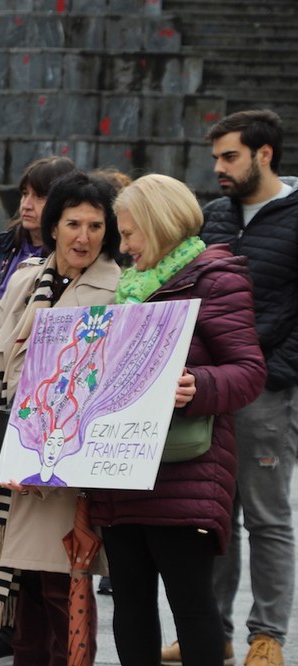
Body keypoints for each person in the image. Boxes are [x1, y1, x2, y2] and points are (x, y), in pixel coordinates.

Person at [87, 174, 267, 665]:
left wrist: (199, 387)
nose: (122, 248)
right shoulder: (128, 288)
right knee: (129, 603)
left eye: (128, 233)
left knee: (190, 605)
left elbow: (249, 370)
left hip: (184, 470)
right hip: (122, 470)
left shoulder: (215, 278)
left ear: (158, 224)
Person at [0, 171, 122, 666]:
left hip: (63, 469)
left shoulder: (118, 290)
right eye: (73, 223)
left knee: (61, 590)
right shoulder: (26, 280)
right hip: (3, 458)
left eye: (95, 225)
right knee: (17, 593)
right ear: (53, 226)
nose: (83, 236)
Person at [163, 109, 298, 666]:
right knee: (214, 516)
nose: (218, 167)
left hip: (266, 395)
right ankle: (210, 633)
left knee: (267, 518)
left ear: (264, 154)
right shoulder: (214, 216)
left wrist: (274, 372)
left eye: (230, 156)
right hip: (209, 391)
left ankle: (267, 636)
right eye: (215, 156)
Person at [0, 156, 76, 298]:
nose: (26, 205)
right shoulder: (1, 248)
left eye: (39, 196)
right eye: (25, 194)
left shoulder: (72, 258)